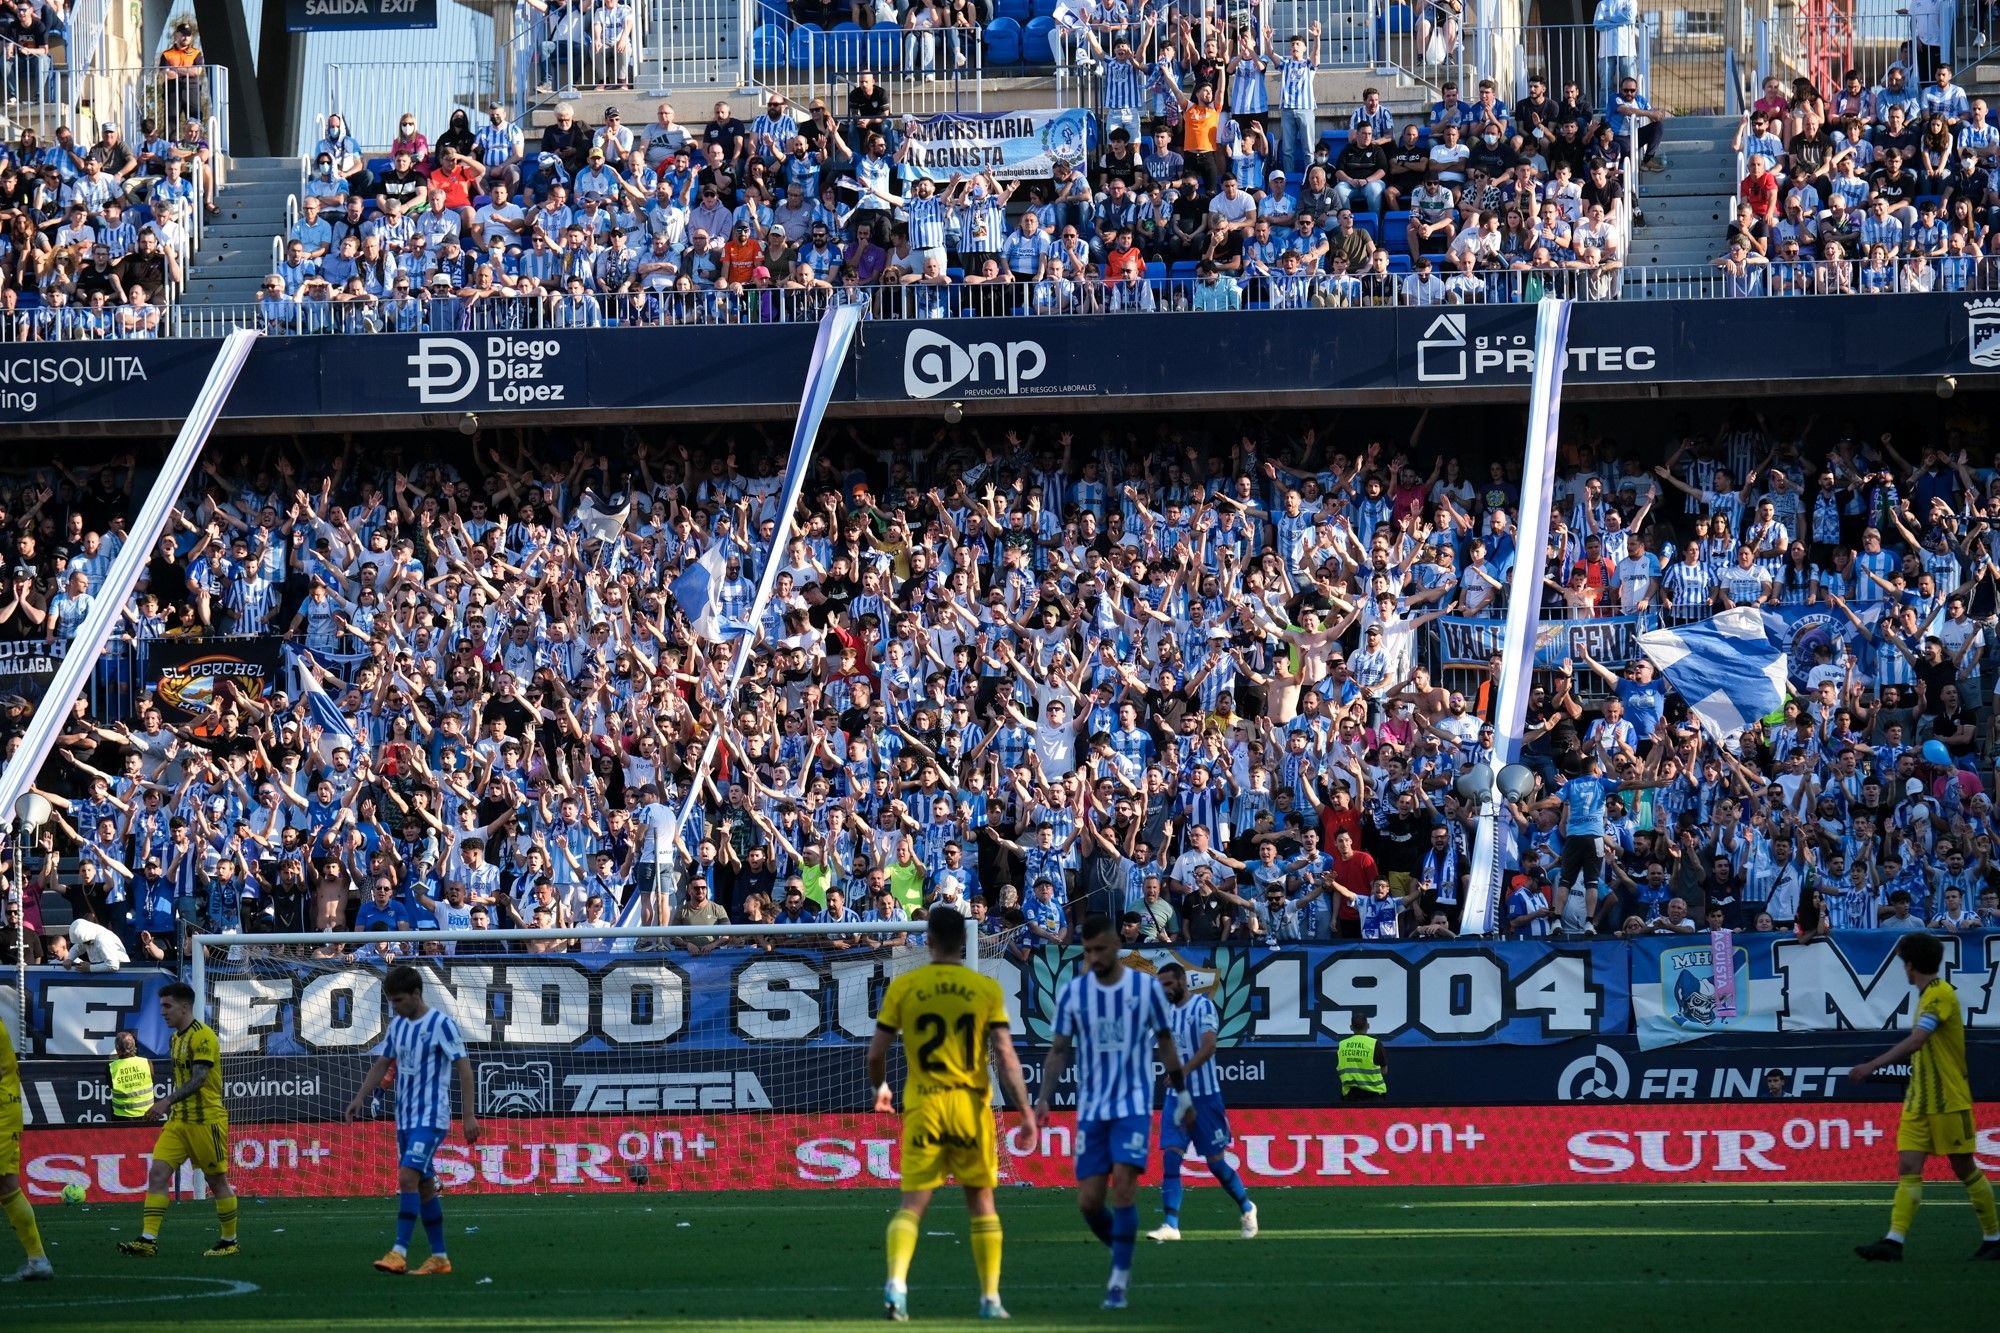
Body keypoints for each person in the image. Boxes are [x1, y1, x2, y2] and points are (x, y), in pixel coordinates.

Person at [866, 906, 1034, 1321]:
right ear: (963, 941)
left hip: (924, 1105)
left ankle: (897, 1286)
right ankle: (991, 1299)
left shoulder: (906, 986)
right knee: (981, 1201)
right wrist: (1026, 1110)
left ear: (929, 940)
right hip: (969, 1108)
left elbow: (876, 1054)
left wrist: (881, 1088)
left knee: (913, 1204)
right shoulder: (983, 988)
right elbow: (1006, 1055)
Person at [1034, 914, 1192, 1311]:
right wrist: (1043, 1098)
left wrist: (1183, 1094)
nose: (1094, 957)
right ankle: (1122, 1244)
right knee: (1088, 1202)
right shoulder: (1074, 993)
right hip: (1092, 1108)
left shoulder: (1145, 989)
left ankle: (1119, 1280)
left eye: (1100, 949)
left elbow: (1165, 1041)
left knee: (1123, 1185)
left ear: (1116, 946)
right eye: (1087, 951)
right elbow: (1058, 1050)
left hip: (1133, 1103)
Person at [1850, 932, 2000, 1262]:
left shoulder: (1939, 995)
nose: (1903, 968)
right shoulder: (1929, 995)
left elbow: (1918, 1040)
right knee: (1908, 1165)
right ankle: (1894, 1241)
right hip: (1920, 1100)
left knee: (1964, 1168)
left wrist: (1871, 1066)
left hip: (1948, 1099)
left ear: (1910, 965)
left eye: (1904, 962)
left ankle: (1994, 1237)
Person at [345, 964, 481, 1276]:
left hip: (432, 1117)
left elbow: (464, 1069)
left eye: (398, 1000)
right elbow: (382, 1062)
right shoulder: (398, 1026)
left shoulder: (441, 1025)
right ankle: (440, 1257)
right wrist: (360, 1097)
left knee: (406, 1177)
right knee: (424, 1187)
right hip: (404, 1118)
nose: (394, 1006)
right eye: (391, 1001)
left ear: (416, 994)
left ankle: (398, 1251)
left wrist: (469, 1115)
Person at [116, 982, 239, 1259]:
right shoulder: (175, 1038)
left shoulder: (203, 1037)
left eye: (167, 1006)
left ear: (185, 1007)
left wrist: (166, 1101)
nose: (163, 1012)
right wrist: (171, 1107)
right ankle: (148, 1240)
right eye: (161, 1006)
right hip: (178, 1122)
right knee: (158, 1173)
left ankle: (229, 1240)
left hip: (205, 1120)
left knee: (216, 1181)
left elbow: (200, 1079)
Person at [1145, 962, 1257, 1242]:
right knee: (1171, 1157)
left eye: (1168, 984)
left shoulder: (1202, 1007)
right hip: (1175, 1099)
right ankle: (1171, 1225)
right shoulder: (1165, 1013)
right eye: (1161, 985)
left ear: (1182, 982)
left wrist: (1182, 1072)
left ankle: (1246, 1206)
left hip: (1205, 1098)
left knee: (1216, 1164)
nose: (1165, 990)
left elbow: (1209, 1046)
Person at [1, 1009, 52, 1281]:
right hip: (6, 1111)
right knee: (7, 1187)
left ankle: (38, 1259)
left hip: (1, 1114)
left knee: (7, 1186)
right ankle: (38, 1259)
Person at [1336, 1011, 1386, 1100]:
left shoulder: (1342, 1045)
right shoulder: (1375, 1044)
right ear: (1368, 1026)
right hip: (1374, 1096)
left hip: (1350, 1097)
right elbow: (1384, 1071)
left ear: (1351, 1027)